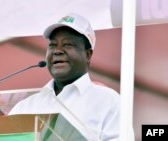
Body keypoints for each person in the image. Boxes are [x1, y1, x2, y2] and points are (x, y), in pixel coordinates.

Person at [9, 13, 119, 141]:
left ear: (88, 54)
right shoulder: (25, 106)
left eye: (67, 44)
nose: (57, 50)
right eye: (52, 45)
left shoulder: (109, 102)